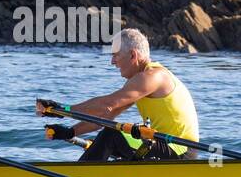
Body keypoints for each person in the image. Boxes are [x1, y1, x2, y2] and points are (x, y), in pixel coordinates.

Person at [44, 28, 199, 161]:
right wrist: (71, 131)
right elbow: (107, 114)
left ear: (133, 55)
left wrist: (64, 110)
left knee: (112, 134)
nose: (112, 61)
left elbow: (107, 103)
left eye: (116, 55)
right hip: (161, 145)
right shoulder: (141, 80)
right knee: (108, 137)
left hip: (180, 150)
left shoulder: (153, 77)